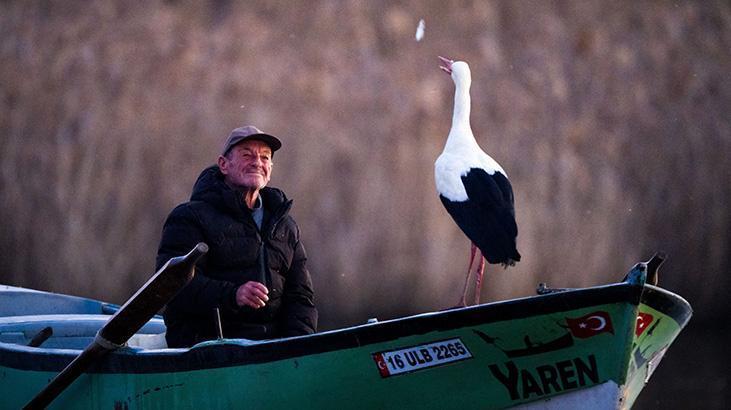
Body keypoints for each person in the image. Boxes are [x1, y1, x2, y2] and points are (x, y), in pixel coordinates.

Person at [157, 125, 317, 348]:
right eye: (247, 155)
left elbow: (300, 298)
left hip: (272, 353)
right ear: (223, 165)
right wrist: (233, 295)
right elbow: (171, 287)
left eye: (264, 157)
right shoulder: (189, 217)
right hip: (206, 352)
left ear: (270, 169)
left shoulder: (286, 227)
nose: (257, 162)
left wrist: (297, 348)